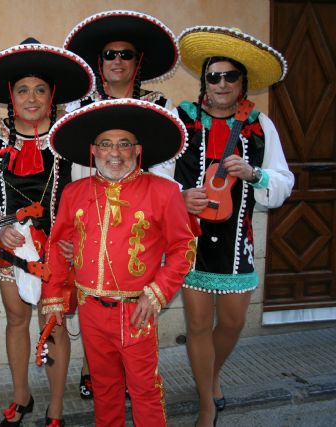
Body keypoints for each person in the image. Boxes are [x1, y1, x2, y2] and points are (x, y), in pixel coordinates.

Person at [151, 26, 295, 427]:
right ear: (204, 82)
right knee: (197, 324)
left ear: (242, 83)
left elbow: (283, 180)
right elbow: (157, 174)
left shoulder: (260, 126)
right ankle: (206, 403)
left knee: (231, 323)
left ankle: (211, 375)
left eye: (231, 76)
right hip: (191, 242)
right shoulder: (181, 120)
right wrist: (179, 196)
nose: (222, 84)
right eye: (213, 76)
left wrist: (254, 175)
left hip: (238, 243)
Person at [42, 98, 196, 427]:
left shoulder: (164, 192)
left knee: (144, 389)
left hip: (136, 313)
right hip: (91, 311)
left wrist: (157, 292)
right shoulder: (74, 192)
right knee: (105, 388)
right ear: (93, 150)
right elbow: (58, 245)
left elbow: (184, 247)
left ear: (138, 150)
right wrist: (53, 295)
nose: (115, 153)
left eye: (124, 144)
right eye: (106, 144)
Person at [0, 38, 94, 427]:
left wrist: (77, 239)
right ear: (11, 95)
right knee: (17, 319)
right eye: (23, 90)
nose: (32, 98)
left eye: (40, 89)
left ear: (52, 94)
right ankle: (22, 397)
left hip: (59, 246)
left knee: (53, 324)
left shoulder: (68, 134)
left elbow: (84, 189)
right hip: (12, 245)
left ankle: (56, 408)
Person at [62, 9, 180, 398]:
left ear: (138, 61)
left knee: (144, 381)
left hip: (142, 220)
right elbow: (75, 174)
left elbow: (165, 176)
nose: (117, 61)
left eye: (125, 54)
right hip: (90, 215)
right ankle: (93, 371)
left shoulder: (161, 105)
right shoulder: (81, 107)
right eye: (110, 54)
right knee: (100, 348)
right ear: (100, 62)